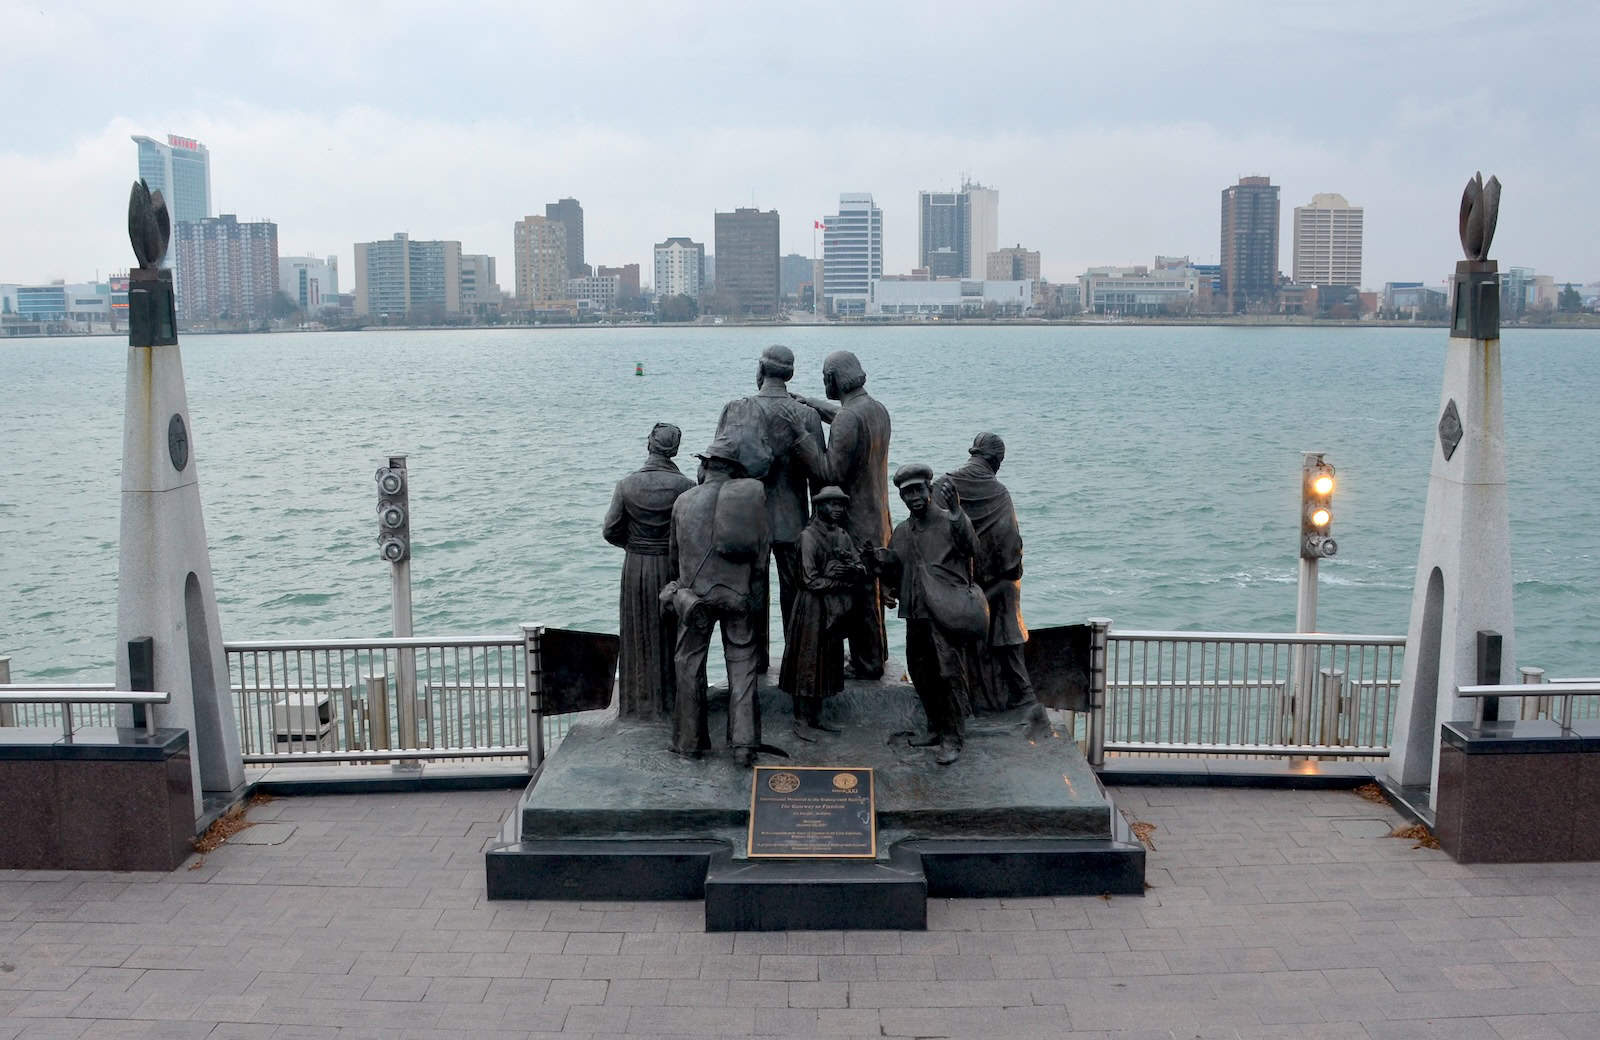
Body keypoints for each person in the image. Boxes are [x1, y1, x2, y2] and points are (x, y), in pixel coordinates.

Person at [714, 345, 828, 674]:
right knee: (797, 598)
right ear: (789, 374)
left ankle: (755, 664)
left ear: (760, 370)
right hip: (793, 520)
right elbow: (818, 479)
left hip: (747, 521)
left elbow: (717, 470)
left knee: (751, 594)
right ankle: (797, 665)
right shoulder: (806, 415)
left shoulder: (736, 409)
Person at [663, 436, 771, 766]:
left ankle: (690, 743)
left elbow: (674, 556)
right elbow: (762, 555)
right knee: (742, 667)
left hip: (695, 599)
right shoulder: (750, 501)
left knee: (689, 665)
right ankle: (743, 746)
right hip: (738, 596)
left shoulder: (684, 501)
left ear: (705, 466)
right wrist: (753, 595)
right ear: (735, 472)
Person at [791, 350, 892, 679]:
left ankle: (868, 663)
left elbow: (830, 472)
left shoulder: (851, 418)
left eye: (825, 377)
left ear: (833, 378)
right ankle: (878, 653)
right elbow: (846, 419)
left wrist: (802, 437)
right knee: (873, 591)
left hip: (856, 523)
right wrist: (811, 403)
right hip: (879, 517)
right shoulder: (876, 409)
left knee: (860, 594)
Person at [873, 463, 982, 765]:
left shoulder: (951, 522)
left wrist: (959, 512)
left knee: (948, 675)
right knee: (921, 674)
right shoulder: (903, 532)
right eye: (907, 493)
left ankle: (953, 736)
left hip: (945, 615)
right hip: (916, 615)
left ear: (930, 490)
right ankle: (935, 728)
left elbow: (971, 547)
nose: (914, 497)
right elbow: (896, 569)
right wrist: (882, 569)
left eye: (918, 490)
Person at [939, 432, 1040, 716]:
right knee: (1007, 640)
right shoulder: (998, 492)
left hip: (962, 584)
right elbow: (1010, 541)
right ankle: (1024, 696)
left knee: (972, 644)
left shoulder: (945, 484)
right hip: (1000, 582)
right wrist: (1011, 569)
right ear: (995, 461)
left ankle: (976, 699)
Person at [601, 423, 695, 718]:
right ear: (675, 450)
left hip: (636, 565)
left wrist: (635, 545)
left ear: (649, 445)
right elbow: (691, 534)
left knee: (636, 631)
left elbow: (610, 530)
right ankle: (672, 703)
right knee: (671, 635)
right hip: (670, 567)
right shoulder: (686, 487)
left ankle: (637, 704)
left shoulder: (626, 485)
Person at [779, 486, 868, 740]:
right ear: (819, 507)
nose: (838, 509)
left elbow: (859, 566)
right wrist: (838, 580)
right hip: (811, 609)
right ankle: (801, 719)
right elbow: (809, 579)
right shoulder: (808, 537)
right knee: (807, 662)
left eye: (841, 504)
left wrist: (851, 569)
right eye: (832, 504)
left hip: (833, 610)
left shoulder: (842, 535)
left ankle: (817, 717)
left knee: (827, 661)